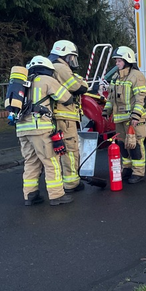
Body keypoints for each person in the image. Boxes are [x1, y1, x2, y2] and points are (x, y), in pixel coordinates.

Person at [17, 56, 74, 206]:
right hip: (40, 128)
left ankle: (30, 195)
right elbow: (67, 98)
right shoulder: (46, 80)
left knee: (31, 162)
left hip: (22, 129)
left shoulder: (22, 83)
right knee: (51, 161)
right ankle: (57, 195)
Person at [49, 40, 89, 193]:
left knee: (56, 149)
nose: (73, 61)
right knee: (70, 148)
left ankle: (59, 181)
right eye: (72, 57)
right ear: (64, 55)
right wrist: (82, 82)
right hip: (65, 117)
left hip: (53, 117)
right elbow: (78, 87)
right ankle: (72, 182)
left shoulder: (50, 66)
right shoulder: (61, 68)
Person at [103, 46, 146, 183]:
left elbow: (142, 98)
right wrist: (106, 111)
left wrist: (136, 116)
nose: (116, 63)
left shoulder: (137, 76)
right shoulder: (117, 77)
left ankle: (138, 172)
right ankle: (127, 168)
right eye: (116, 61)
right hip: (120, 119)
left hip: (133, 119)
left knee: (136, 145)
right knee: (123, 145)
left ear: (127, 60)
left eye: (119, 61)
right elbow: (111, 98)